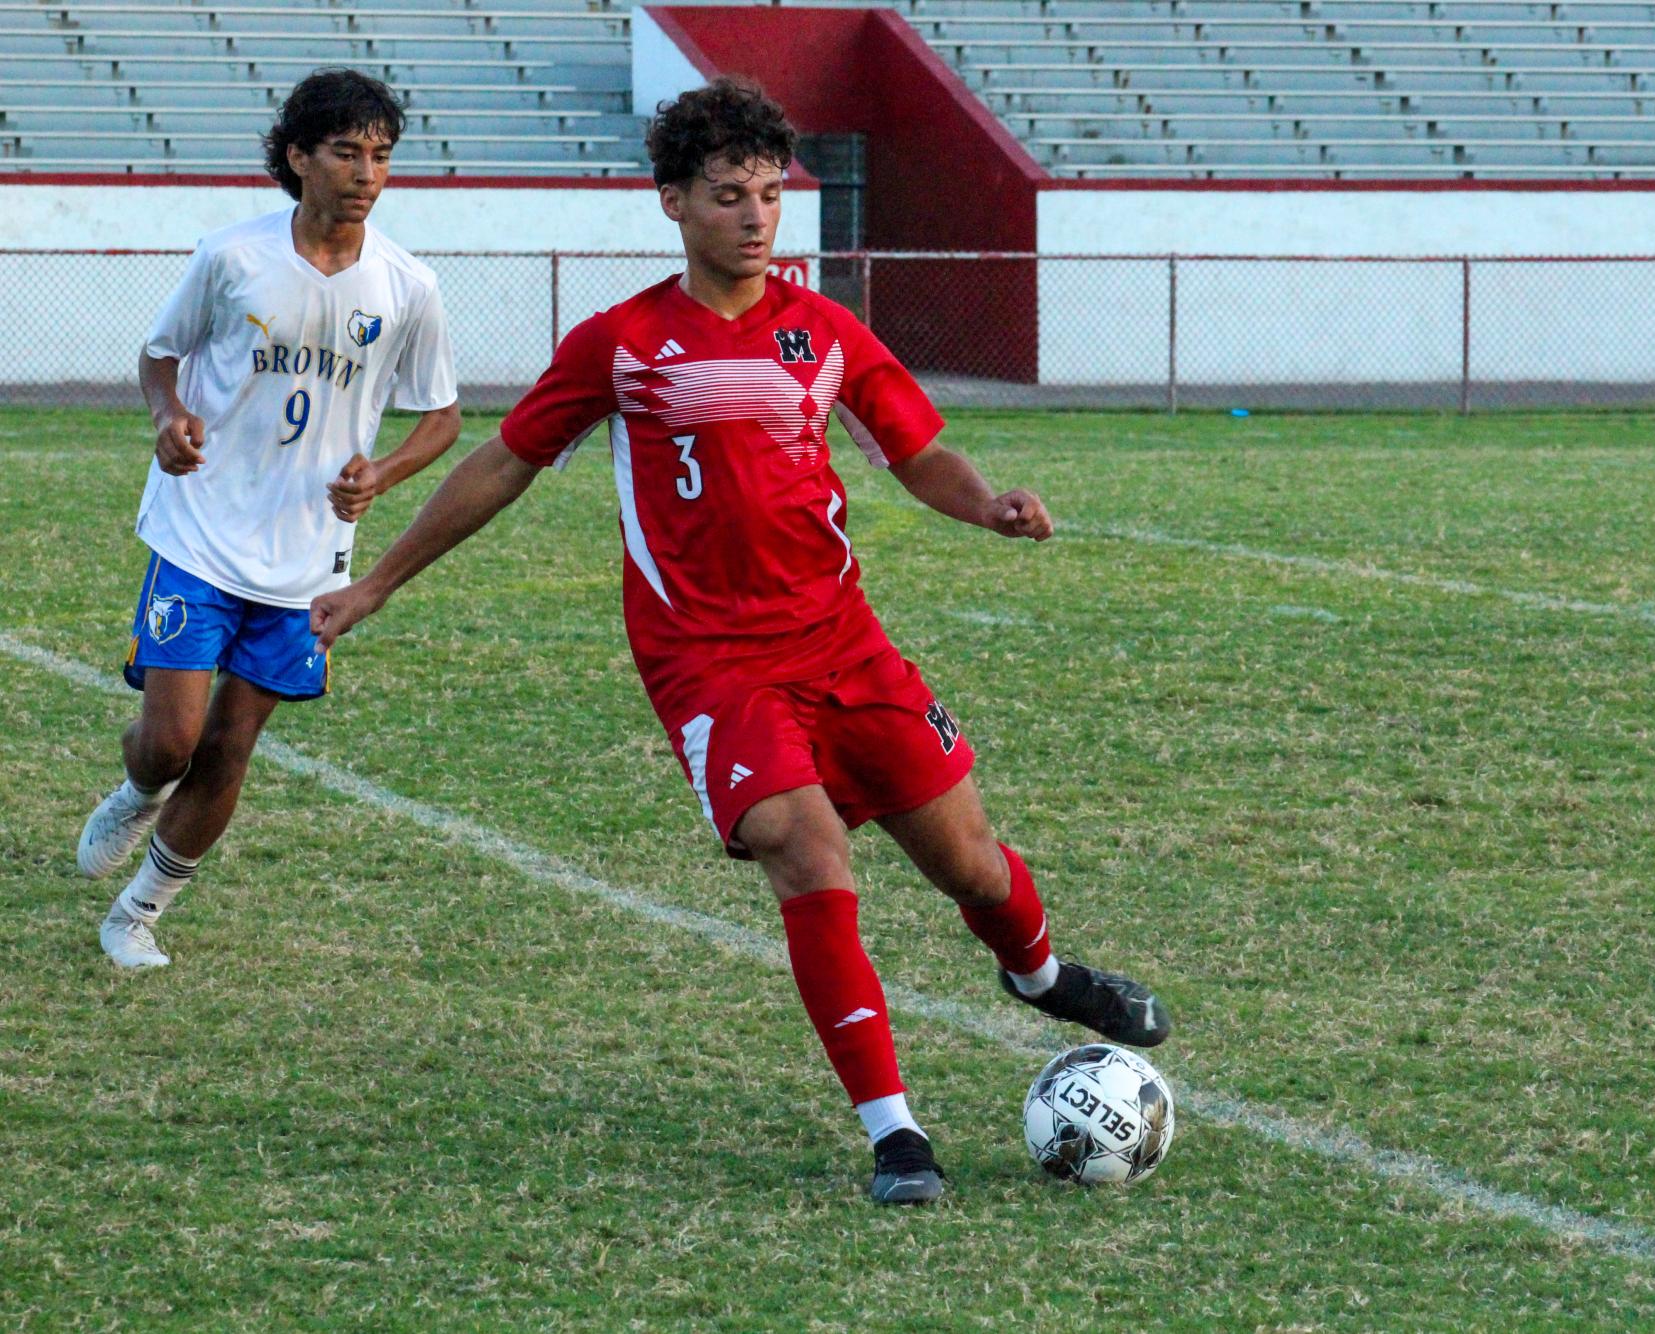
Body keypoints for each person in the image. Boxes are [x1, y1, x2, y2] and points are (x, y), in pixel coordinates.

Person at [307, 77, 1168, 1205]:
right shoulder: (621, 344)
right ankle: (895, 1135)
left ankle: (1042, 972)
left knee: (967, 860)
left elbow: (916, 452)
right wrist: (377, 582)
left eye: (770, 195)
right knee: (808, 852)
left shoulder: (824, 331)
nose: (756, 217)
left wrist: (988, 502)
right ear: (673, 202)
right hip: (709, 663)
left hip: (845, 642)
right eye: (728, 195)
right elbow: (502, 464)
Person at [80, 68, 461, 969]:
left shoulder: (407, 285)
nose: (367, 172)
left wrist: (386, 471)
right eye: (345, 152)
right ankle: (136, 788)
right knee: (171, 740)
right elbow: (159, 357)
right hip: (200, 528)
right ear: (297, 157)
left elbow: (442, 417)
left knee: (232, 738)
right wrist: (167, 419)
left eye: (381, 155)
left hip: (308, 560)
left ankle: (139, 912)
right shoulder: (232, 256)